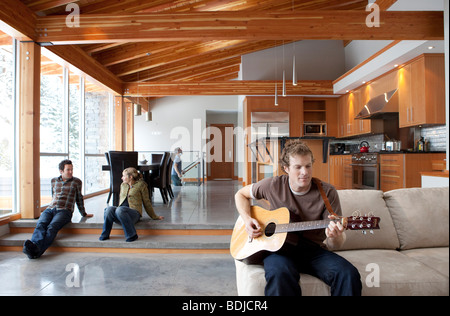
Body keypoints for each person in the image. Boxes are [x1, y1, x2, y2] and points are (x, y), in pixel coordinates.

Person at [234, 140, 362, 296]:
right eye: (298, 167)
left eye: (308, 166)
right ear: (286, 168)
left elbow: (335, 244)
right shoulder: (273, 185)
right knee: (280, 274)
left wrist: (335, 237)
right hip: (278, 250)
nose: (305, 172)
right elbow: (240, 194)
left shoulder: (327, 193)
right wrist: (248, 219)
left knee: (348, 274)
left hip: (312, 251)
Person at [23, 159, 93, 259]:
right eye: (68, 170)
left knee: (52, 227)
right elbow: (53, 196)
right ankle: (35, 248)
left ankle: (35, 251)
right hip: (50, 208)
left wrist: (84, 213)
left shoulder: (76, 182)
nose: (70, 172)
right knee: (41, 224)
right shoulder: (54, 181)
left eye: (71, 170)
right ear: (61, 171)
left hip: (65, 210)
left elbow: (79, 198)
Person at [99, 167, 164, 242]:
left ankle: (132, 235)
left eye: (123, 176)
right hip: (121, 213)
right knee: (109, 209)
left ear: (130, 177)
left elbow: (147, 202)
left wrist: (154, 216)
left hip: (134, 214)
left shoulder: (141, 185)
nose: (121, 178)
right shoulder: (123, 185)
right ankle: (105, 234)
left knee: (120, 210)